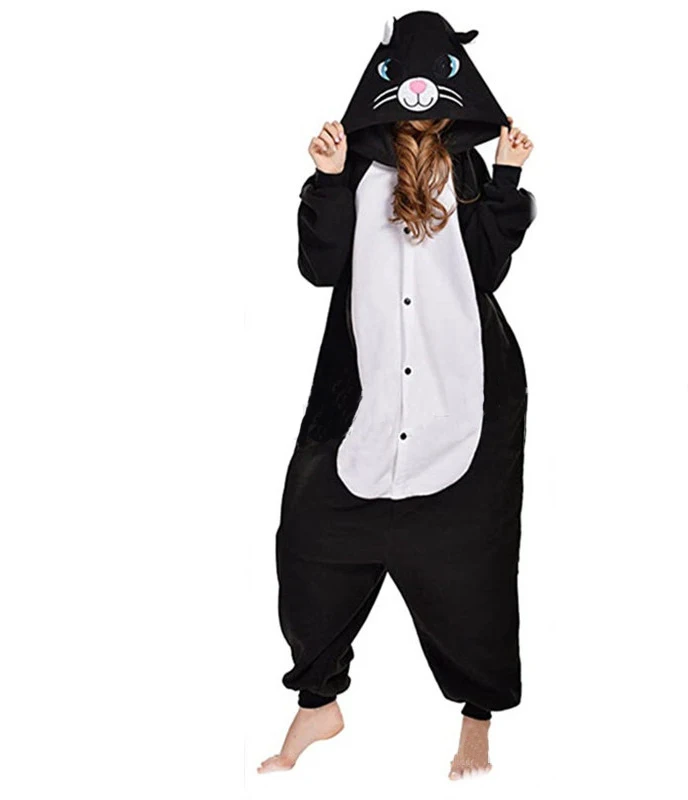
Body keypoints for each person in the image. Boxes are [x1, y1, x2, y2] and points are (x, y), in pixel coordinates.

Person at [258, 11, 536, 780]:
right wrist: (328, 177)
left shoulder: (468, 173)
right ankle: (319, 702)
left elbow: (487, 272)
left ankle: (476, 722)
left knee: (472, 566)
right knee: (309, 545)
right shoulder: (354, 170)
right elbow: (320, 267)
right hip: (362, 401)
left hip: (466, 397)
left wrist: (506, 175)